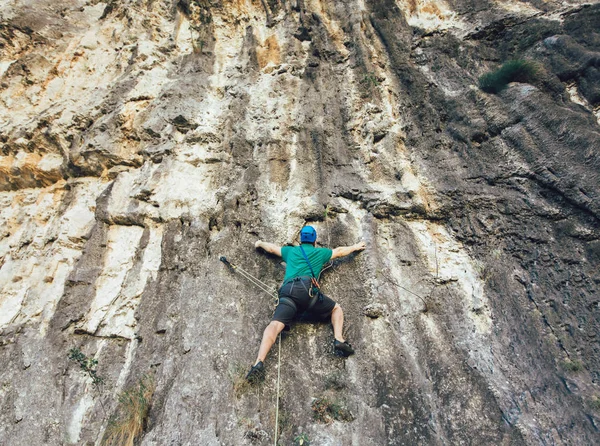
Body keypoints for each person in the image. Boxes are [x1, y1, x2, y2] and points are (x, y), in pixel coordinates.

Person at [246, 225, 366, 382]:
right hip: (307, 292)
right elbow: (339, 251)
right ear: (315, 240)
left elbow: (272, 249)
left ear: (301, 239)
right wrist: (355, 246)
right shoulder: (319, 253)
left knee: (275, 325)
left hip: (288, 292)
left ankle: (258, 362)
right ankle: (339, 339)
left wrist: (260, 243)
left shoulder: (291, 251)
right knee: (336, 308)